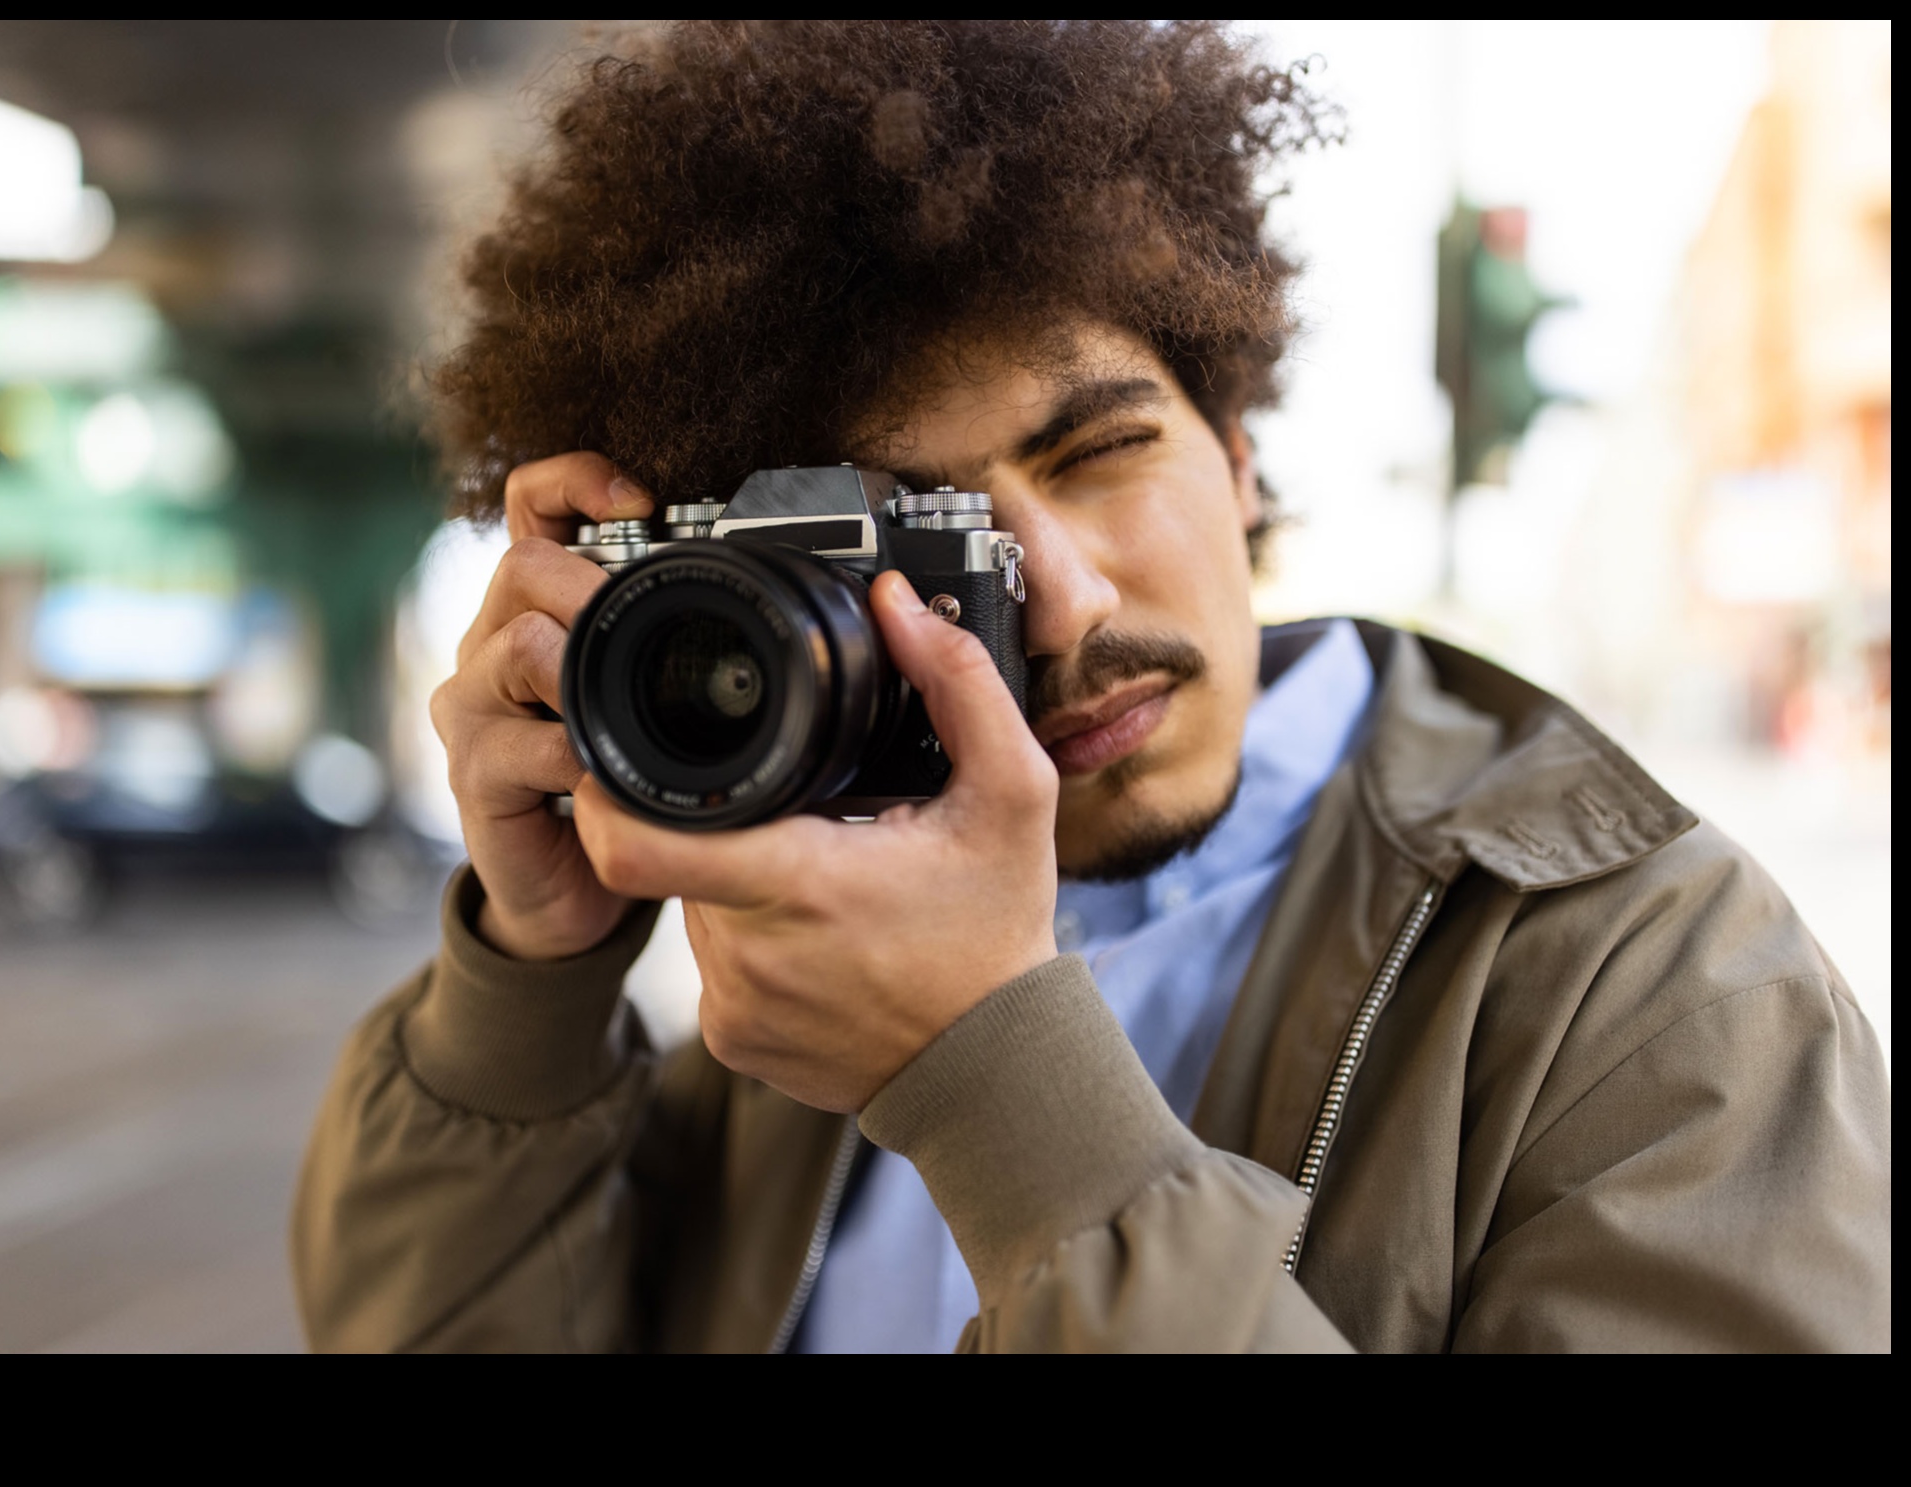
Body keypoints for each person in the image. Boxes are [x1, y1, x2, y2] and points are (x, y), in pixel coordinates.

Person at [292, 19, 1890, 1352]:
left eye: (1102, 451)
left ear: (1243, 455)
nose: (1058, 602)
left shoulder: (1655, 990)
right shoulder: (792, 963)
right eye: (921, 536)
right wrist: (530, 978)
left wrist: (999, 1085)